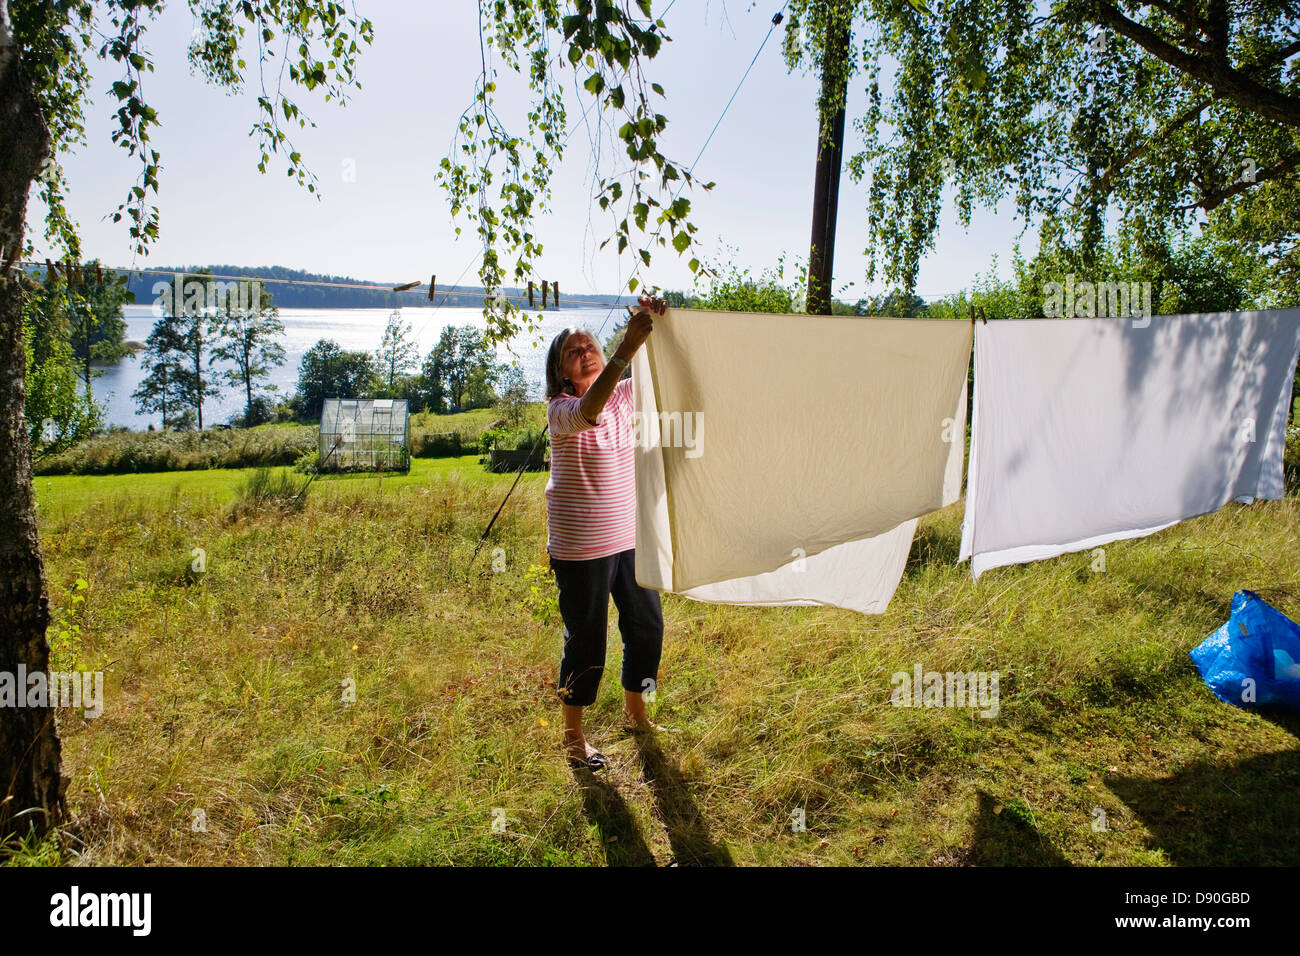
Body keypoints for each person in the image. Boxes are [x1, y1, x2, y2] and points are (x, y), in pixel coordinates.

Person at [543, 294, 671, 772]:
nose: (585, 353)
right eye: (574, 353)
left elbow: (664, 368)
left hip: (628, 536)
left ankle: (636, 716)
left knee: (647, 628)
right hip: (580, 548)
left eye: (589, 345)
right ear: (562, 372)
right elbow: (588, 412)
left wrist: (660, 316)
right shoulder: (561, 409)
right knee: (587, 640)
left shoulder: (623, 393)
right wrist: (624, 349)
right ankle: (573, 737)